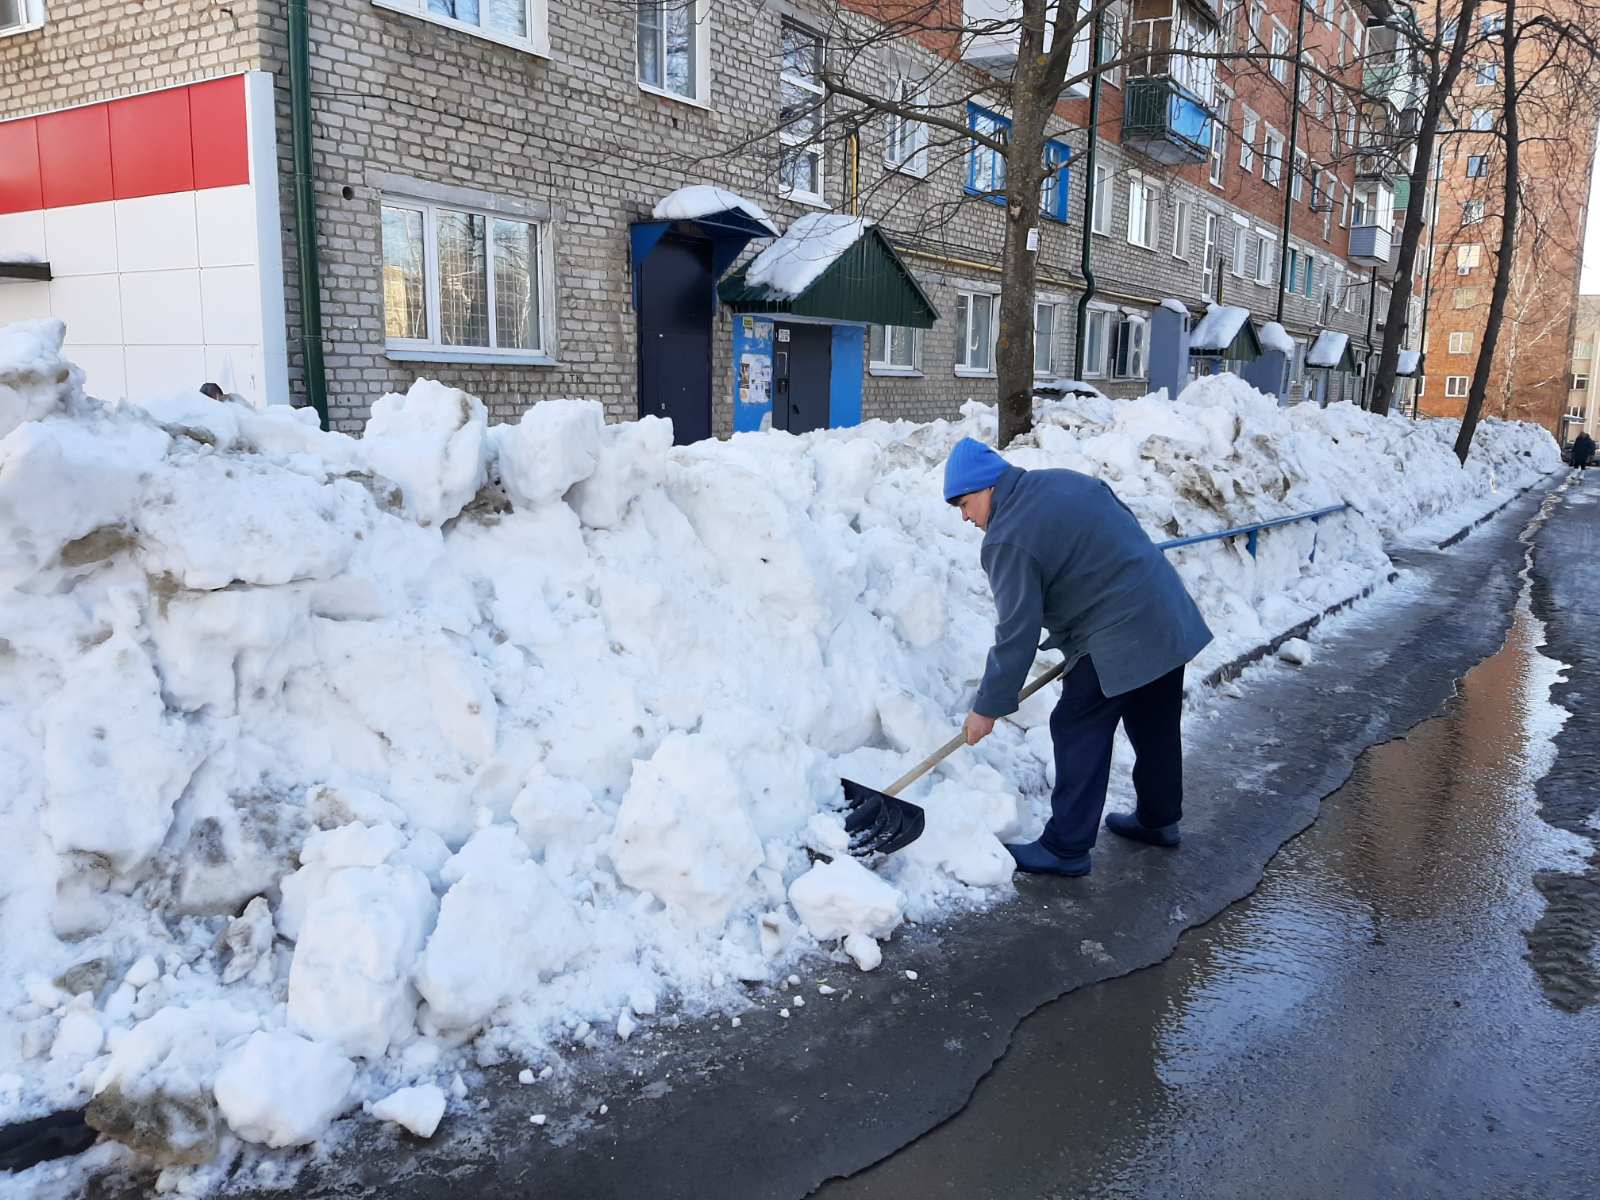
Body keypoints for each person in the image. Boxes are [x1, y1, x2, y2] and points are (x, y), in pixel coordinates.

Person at [944, 437, 1214, 877]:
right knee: (1154, 722)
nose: (965, 516)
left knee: (1077, 725)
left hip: (1117, 630)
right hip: (1165, 613)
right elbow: (1119, 537)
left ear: (989, 487)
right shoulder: (1064, 482)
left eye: (965, 502)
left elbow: (1017, 632)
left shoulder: (1007, 538)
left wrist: (987, 708)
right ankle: (1159, 819)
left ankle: (1066, 847)